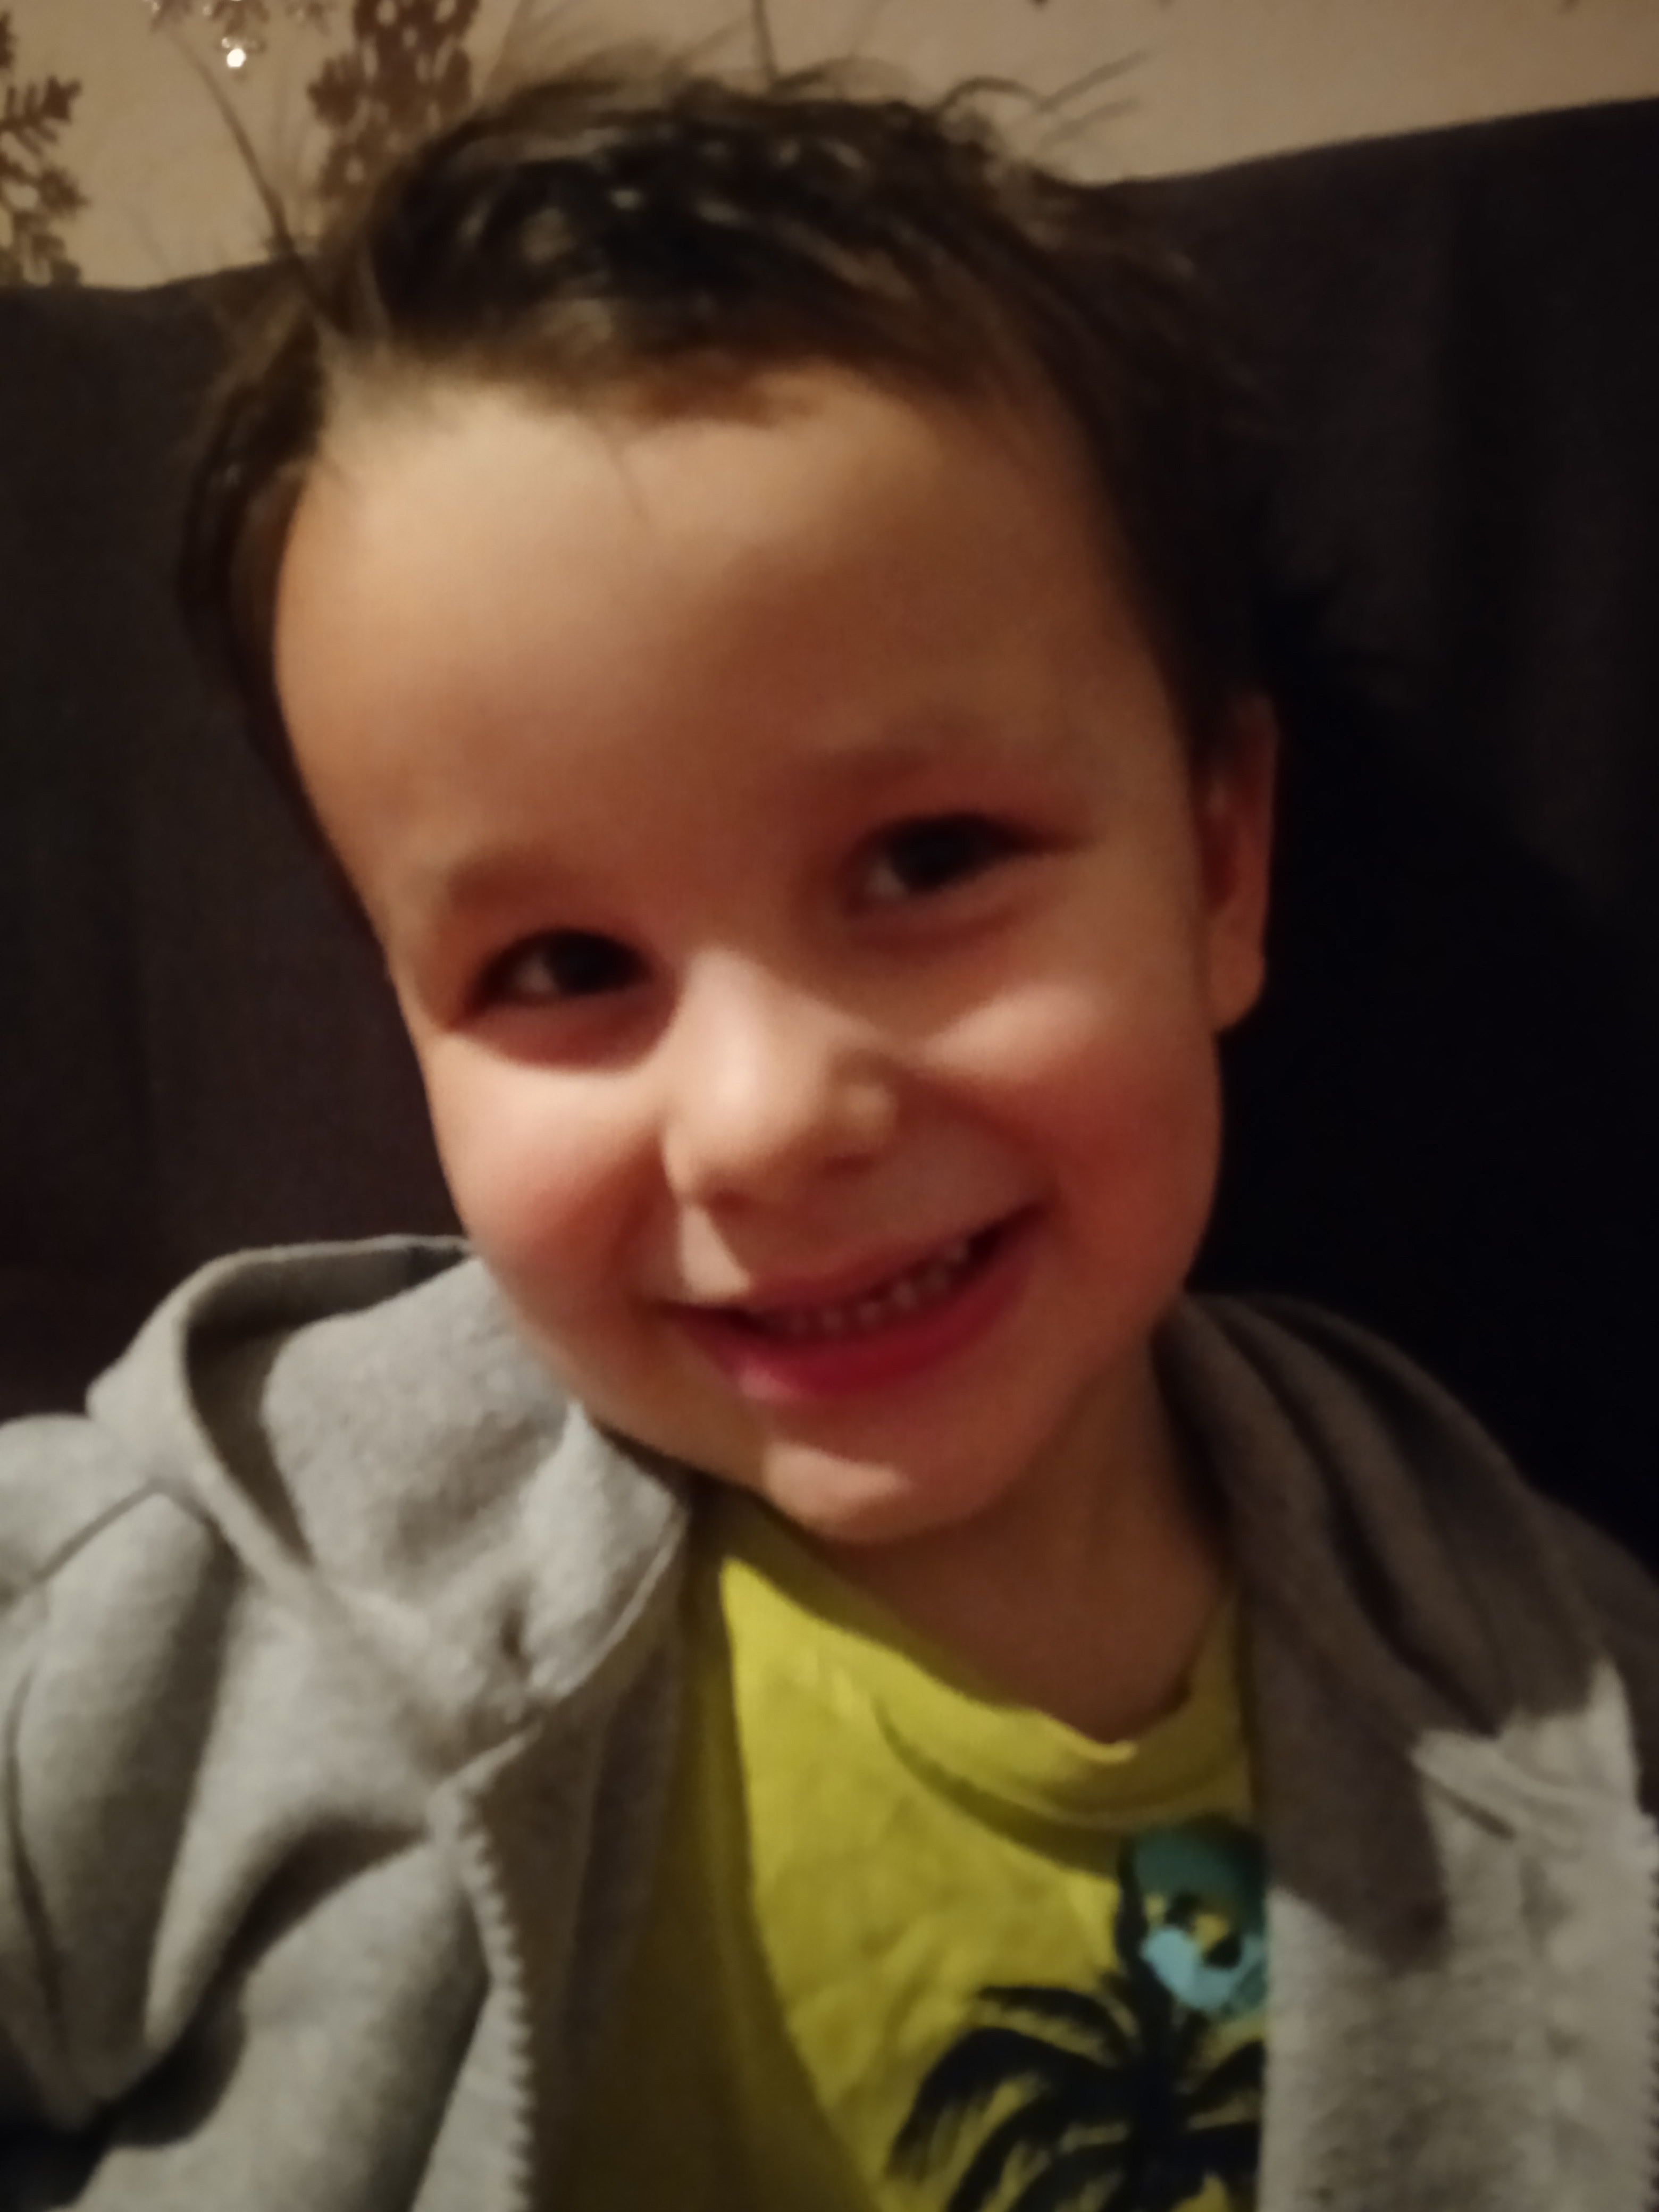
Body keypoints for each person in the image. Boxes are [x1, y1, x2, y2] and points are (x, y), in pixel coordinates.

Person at [4, 53, 1658, 2212]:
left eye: (931, 857)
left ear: (1219, 864)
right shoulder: (201, 1612)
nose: (767, 1123)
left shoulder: (1543, 1659)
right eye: (562, 965)